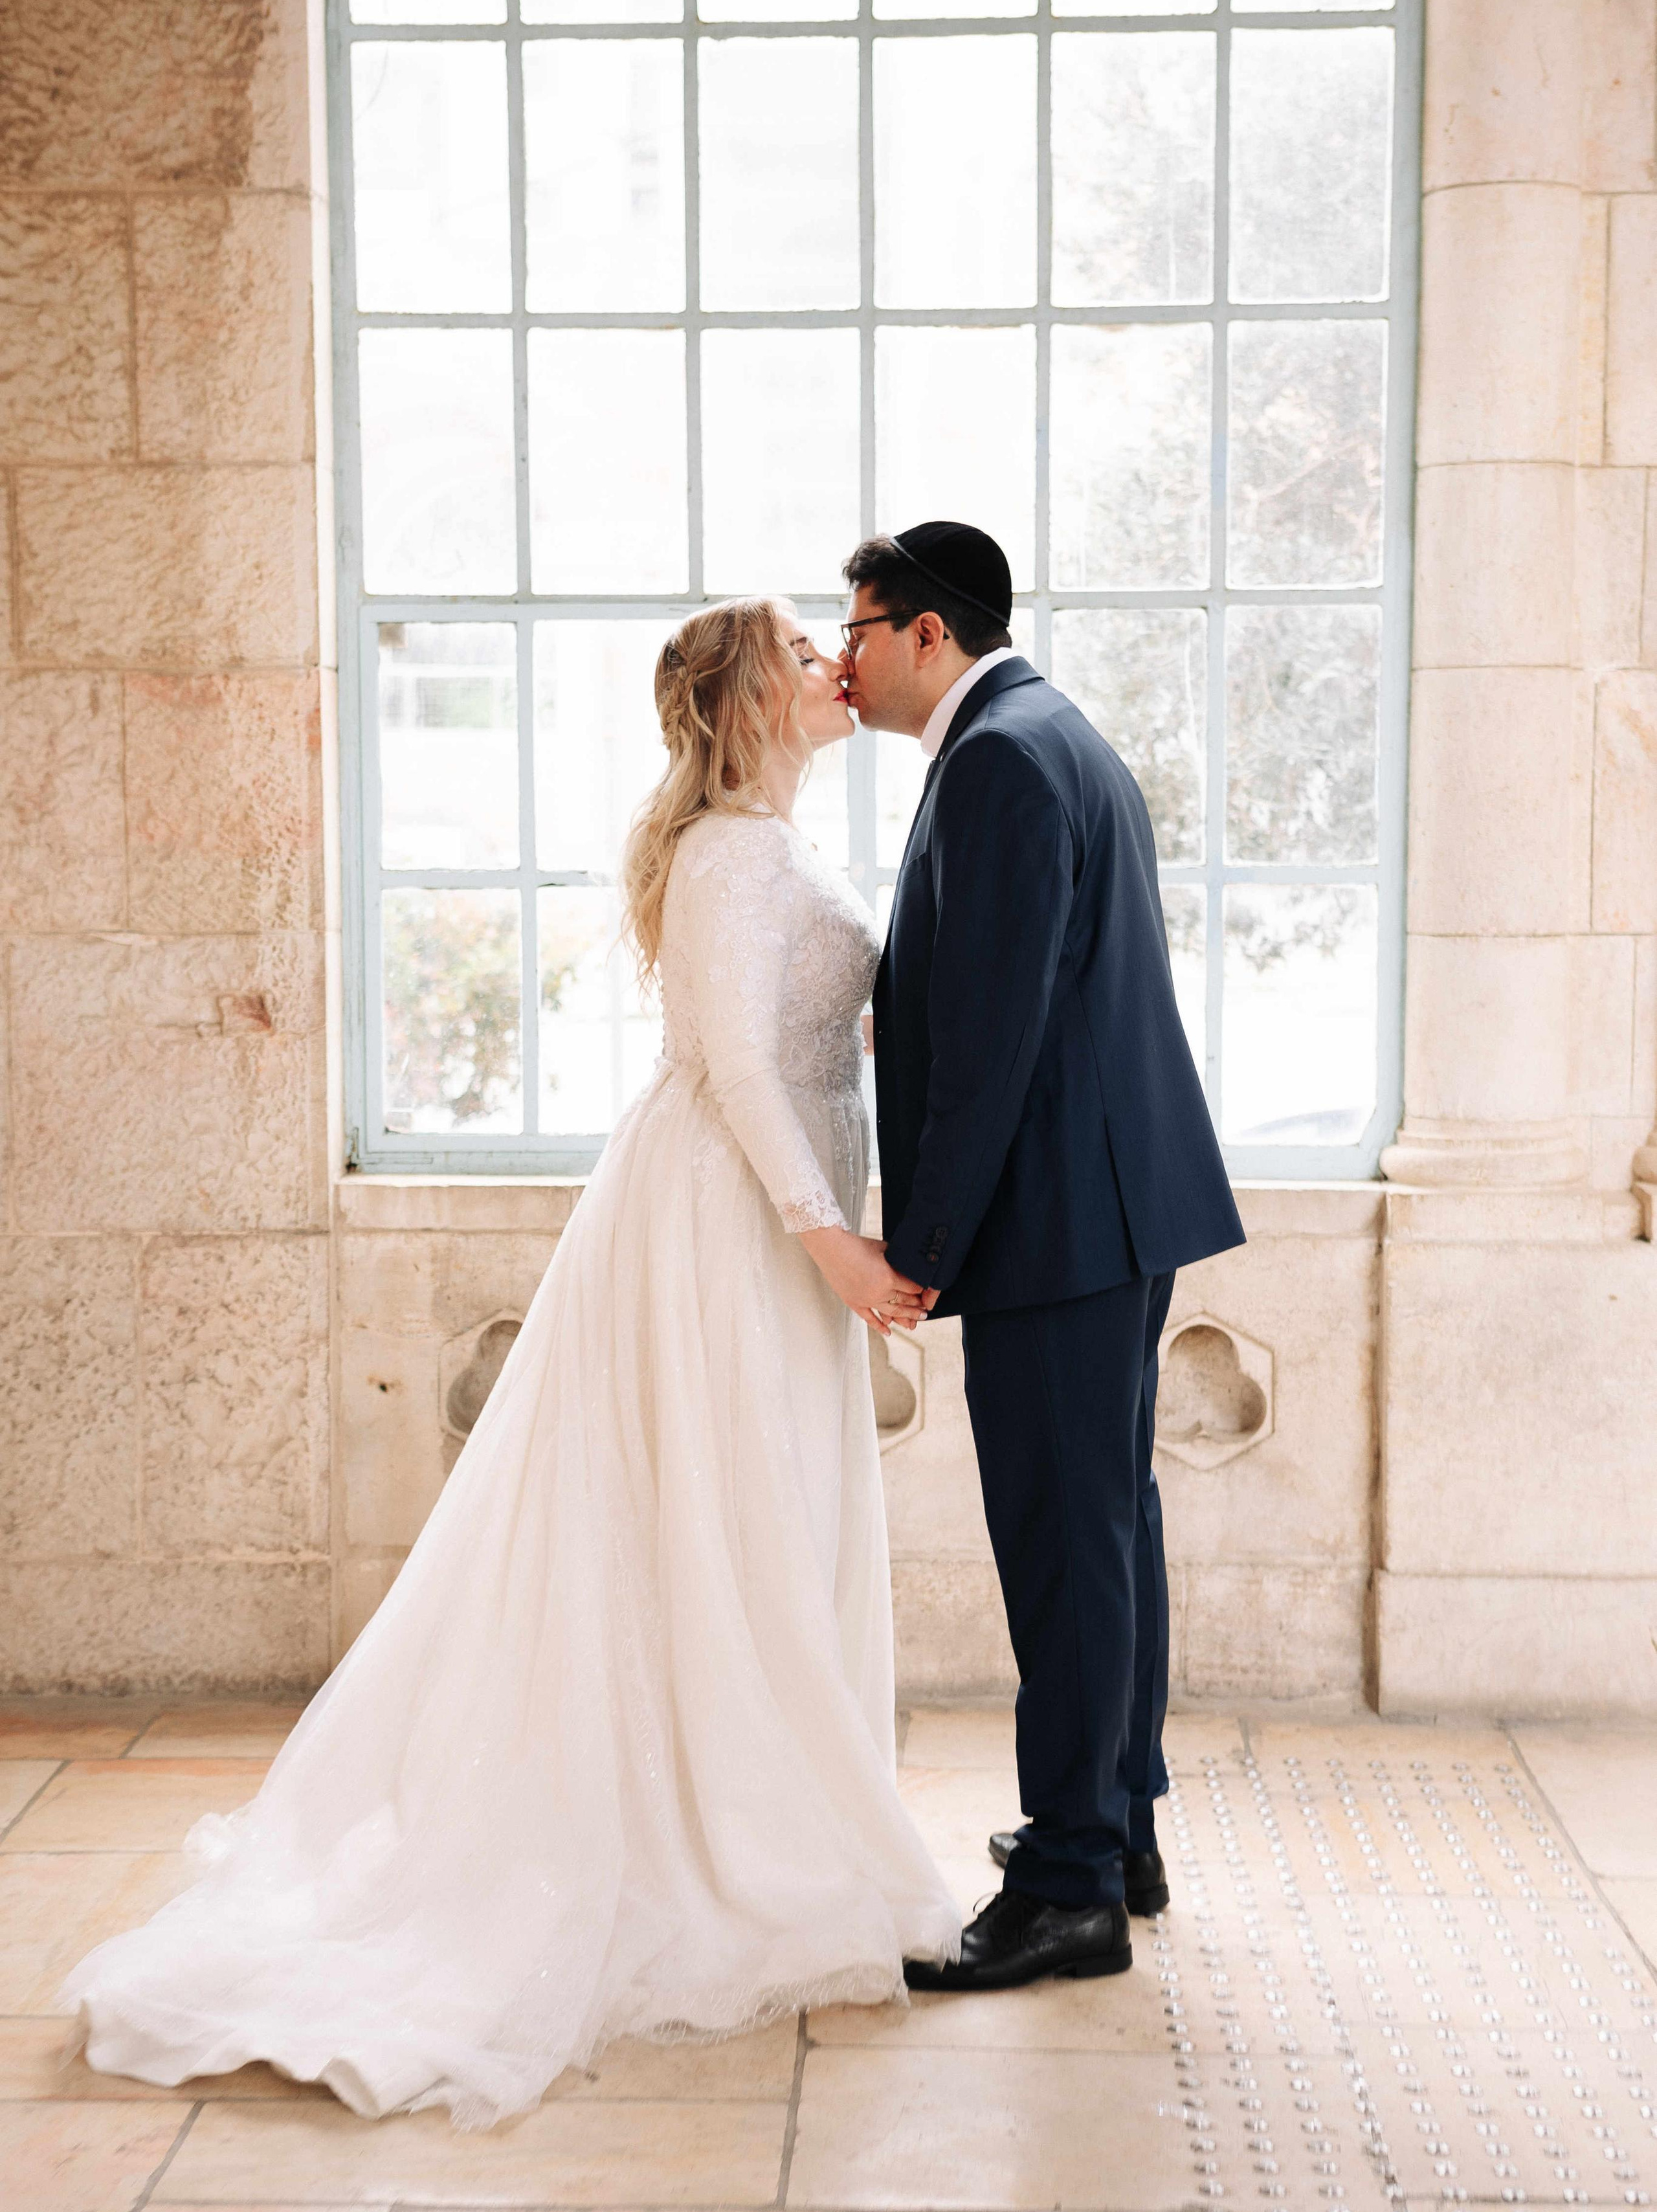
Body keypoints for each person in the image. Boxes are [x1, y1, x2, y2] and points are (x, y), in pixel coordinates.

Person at [58, 598, 959, 2127]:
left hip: (766, 1207)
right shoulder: (728, 856)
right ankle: (720, 1829)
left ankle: (755, 1797)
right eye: (803, 653)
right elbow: (741, 1065)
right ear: (749, 704)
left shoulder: (773, 844)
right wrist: (831, 1245)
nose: (832, 667)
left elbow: (816, 1037)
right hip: (727, 1222)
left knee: (758, 1511)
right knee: (721, 1507)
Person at [840, 522, 1245, 1994]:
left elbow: (993, 1041)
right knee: (1104, 1532)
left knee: (1064, 1550)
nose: (846, 658)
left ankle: (1069, 1883)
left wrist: (921, 1246)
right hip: (1114, 1208)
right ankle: (1117, 1826)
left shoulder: (1002, 759)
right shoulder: (1050, 732)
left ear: (929, 633)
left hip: (1062, 1222)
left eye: (863, 629)